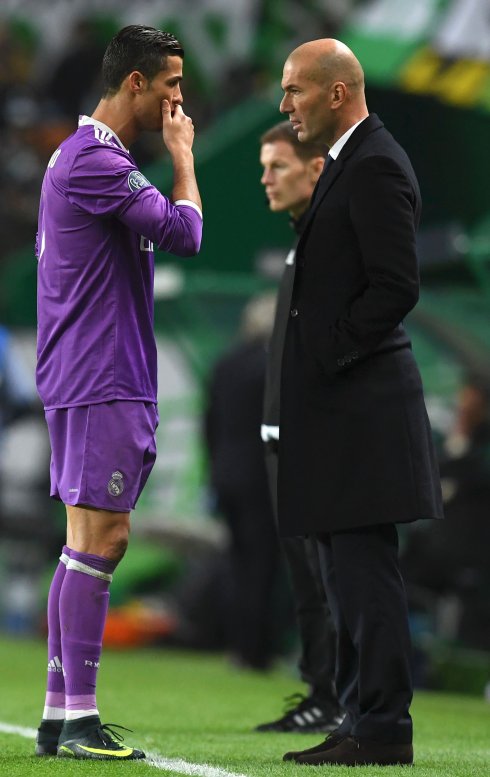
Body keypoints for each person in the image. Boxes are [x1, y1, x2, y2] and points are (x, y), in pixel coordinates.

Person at [34, 25, 202, 761]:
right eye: (169, 83)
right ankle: (77, 719)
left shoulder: (86, 158)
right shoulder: (99, 161)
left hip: (88, 370)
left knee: (82, 542)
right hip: (102, 373)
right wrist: (186, 160)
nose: (178, 99)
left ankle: (58, 714)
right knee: (103, 540)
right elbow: (185, 232)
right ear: (134, 82)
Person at [277, 39, 443, 767]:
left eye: (295, 92)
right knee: (346, 575)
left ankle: (382, 728)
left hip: (366, 407)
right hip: (345, 410)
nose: (285, 106)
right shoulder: (354, 159)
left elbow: (397, 283)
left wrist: (334, 349)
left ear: (336, 93)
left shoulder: (374, 162)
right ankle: (358, 716)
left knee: (366, 573)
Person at [255, 121, 343, 732]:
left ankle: (338, 694)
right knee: (306, 579)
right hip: (282, 439)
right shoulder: (300, 238)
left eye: (277, 166)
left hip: (313, 440)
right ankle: (323, 691)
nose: (265, 178)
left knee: (326, 578)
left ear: (315, 170)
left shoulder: (329, 240)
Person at [204, 293, 282, 670]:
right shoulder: (270, 367)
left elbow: (210, 423)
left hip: (225, 475)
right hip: (259, 478)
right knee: (261, 564)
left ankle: (236, 644)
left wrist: (214, 472)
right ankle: (255, 651)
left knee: (236, 561)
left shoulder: (224, 363)